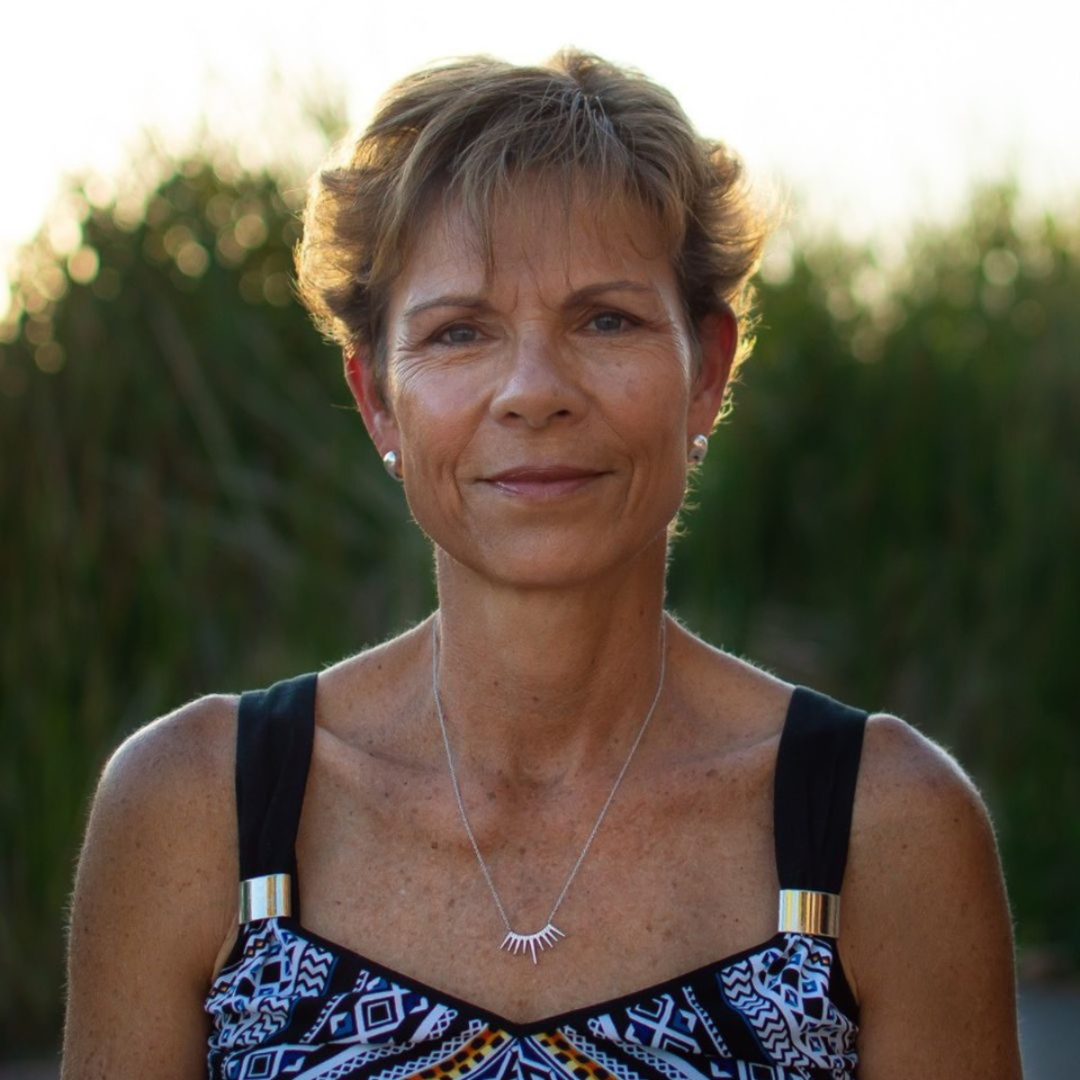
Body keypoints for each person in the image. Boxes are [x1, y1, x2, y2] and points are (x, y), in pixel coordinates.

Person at [62, 50, 1022, 1079]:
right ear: (377, 398)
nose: (533, 391)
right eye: (460, 331)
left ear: (708, 372)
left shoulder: (885, 830)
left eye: (605, 319)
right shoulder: (196, 813)